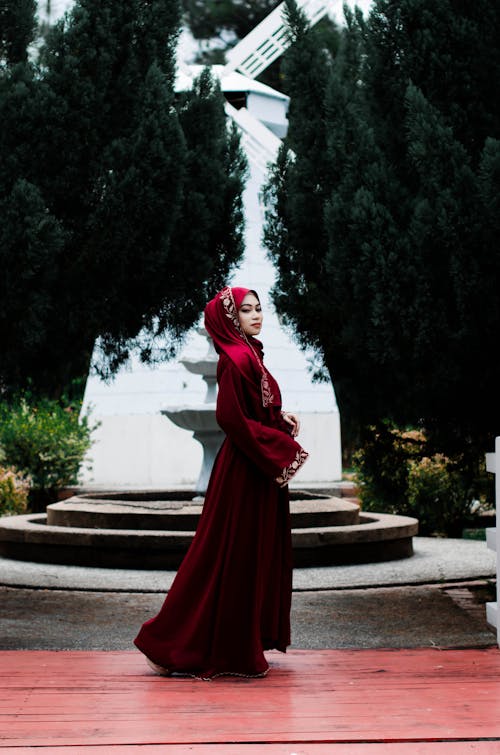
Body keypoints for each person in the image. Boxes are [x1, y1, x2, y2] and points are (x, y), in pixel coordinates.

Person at [134, 286, 309, 679]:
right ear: (229, 319)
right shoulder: (235, 357)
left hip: (255, 468)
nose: (256, 315)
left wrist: (280, 419)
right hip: (245, 470)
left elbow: (252, 409)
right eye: (246, 311)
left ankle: (235, 644)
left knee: (249, 555)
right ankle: (170, 644)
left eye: (258, 309)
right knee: (225, 555)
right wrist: (278, 448)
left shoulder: (249, 354)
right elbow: (230, 418)